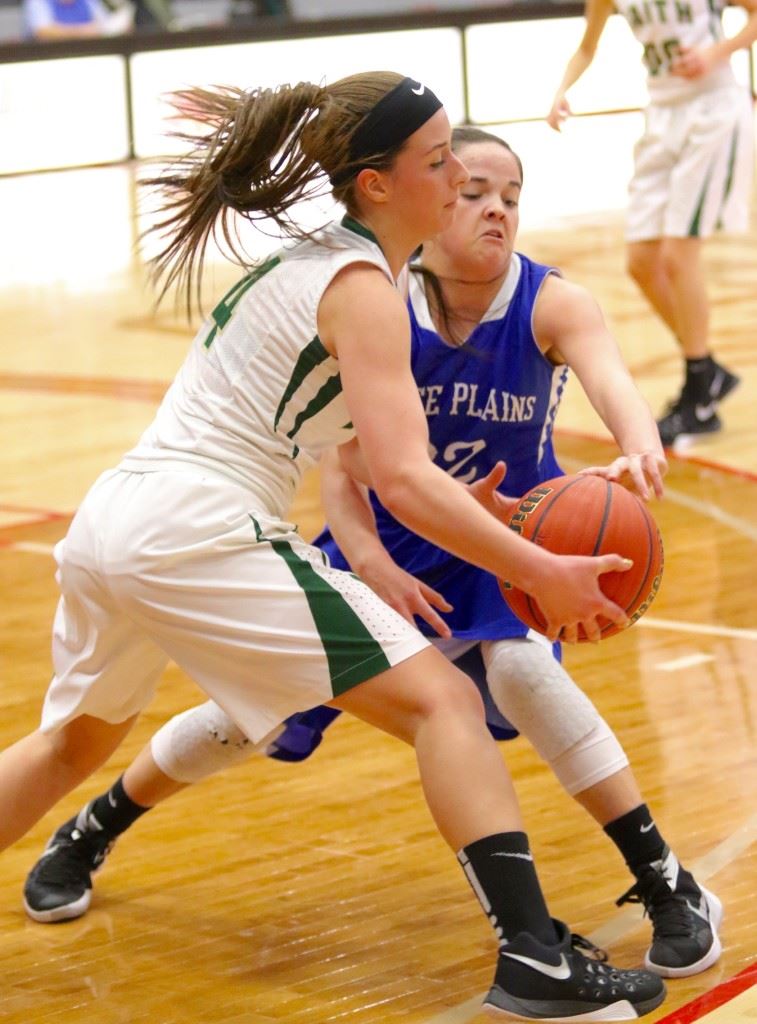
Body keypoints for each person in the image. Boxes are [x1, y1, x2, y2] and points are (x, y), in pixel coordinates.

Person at [0, 73, 665, 1021]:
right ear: (376, 184)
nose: (458, 179)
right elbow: (399, 480)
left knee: (72, 744)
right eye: (439, 164)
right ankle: (535, 960)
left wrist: (461, 513)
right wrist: (537, 567)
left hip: (120, 517)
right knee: (444, 705)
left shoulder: (329, 266)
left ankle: (534, 958)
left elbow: (371, 461)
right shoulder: (361, 288)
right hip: (202, 524)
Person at [547, 0, 757, 448]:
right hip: (662, 114)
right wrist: (561, 90)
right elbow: (588, 46)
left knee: (678, 258)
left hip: (714, 110)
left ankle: (699, 395)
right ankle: (708, 369)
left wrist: (717, 52)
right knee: (642, 262)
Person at [22, 0, 135, 39]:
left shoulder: (87, 1)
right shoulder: (37, 2)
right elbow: (43, 32)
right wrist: (85, 31)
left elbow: (106, 25)